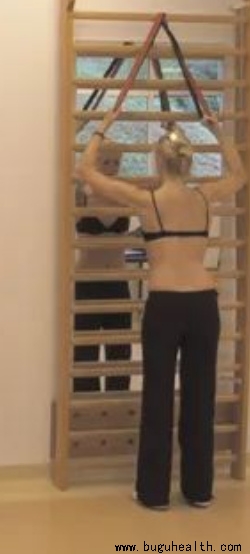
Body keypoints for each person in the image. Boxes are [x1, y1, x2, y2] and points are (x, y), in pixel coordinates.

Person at [77, 111, 246, 510]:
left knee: (157, 397)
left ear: (157, 160)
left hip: (166, 303)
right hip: (203, 304)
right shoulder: (204, 197)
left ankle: (154, 493)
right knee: (200, 397)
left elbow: (87, 171)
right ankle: (199, 490)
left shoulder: (147, 200)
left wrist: (103, 125)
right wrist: (218, 130)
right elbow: (240, 174)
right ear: (188, 162)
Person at [74, 140, 131, 392]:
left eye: (116, 163)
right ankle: (86, 403)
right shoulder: (82, 193)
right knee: (85, 350)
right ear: (95, 163)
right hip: (88, 282)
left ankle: (118, 402)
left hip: (118, 281)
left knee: (119, 351)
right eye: (106, 162)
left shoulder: (126, 192)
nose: (111, 167)